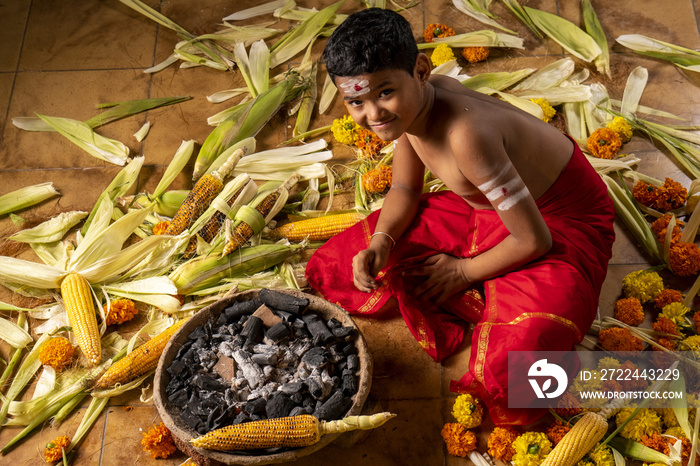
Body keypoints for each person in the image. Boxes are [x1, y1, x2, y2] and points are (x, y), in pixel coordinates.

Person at [305, 8, 615, 425]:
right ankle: (482, 287)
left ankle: (483, 290)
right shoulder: (411, 112)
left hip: (558, 225)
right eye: (356, 101)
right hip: (492, 210)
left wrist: (464, 272)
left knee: (519, 368)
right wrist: (382, 241)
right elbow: (404, 189)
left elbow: (534, 241)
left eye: (384, 93)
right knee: (345, 262)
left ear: (420, 70)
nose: (373, 114)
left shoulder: (468, 135)